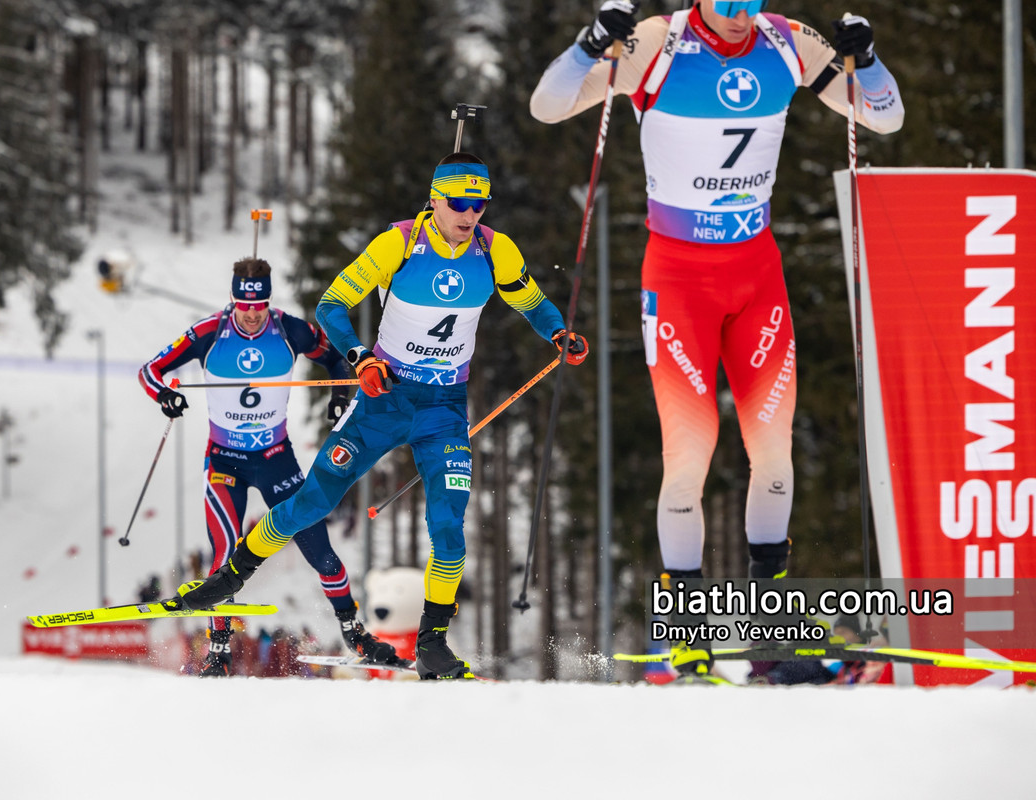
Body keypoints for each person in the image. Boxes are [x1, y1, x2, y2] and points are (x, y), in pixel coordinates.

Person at [531, 1, 904, 678]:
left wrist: (867, 59)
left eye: (751, 1)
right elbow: (547, 108)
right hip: (678, 279)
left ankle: (772, 624)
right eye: (727, 3)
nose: (740, 15)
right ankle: (688, 632)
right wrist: (590, 46)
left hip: (756, 273)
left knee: (773, 449)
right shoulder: (657, 43)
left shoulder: (786, 42)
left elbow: (884, 114)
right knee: (690, 454)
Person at [165, 152, 590, 680]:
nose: (469, 214)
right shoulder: (400, 243)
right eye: (458, 202)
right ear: (435, 198)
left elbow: (529, 299)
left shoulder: (494, 249)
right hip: (383, 399)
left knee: (449, 527)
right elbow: (332, 305)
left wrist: (555, 332)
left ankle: (433, 641)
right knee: (311, 503)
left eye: (478, 205)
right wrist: (359, 358)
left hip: (444, 408)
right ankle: (230, 578)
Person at [139, 257, 402, 677]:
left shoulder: (289, 329)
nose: (252, 314)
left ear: (268, 300)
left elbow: (334, 358)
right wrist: (165, 396)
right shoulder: (209, 333)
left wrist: (338, 395)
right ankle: (219, 651)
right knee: (224, 555)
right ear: (232, 300)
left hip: (276, 459)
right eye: (244, 305)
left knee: (321, 550)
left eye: (259, 304)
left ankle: (354, 632)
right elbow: (151, 371)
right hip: (225, 462)